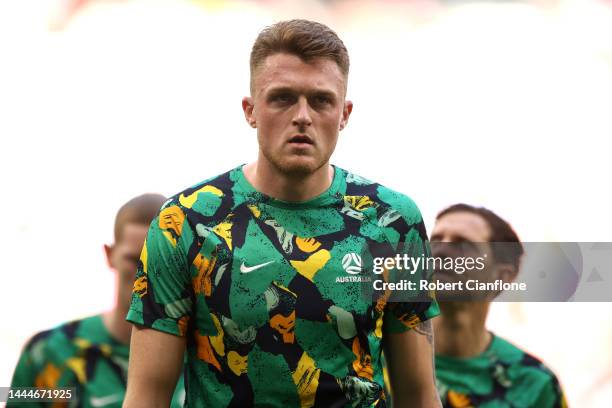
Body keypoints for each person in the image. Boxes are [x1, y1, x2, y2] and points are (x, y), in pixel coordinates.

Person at [124, 19, 441, 408]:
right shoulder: (185, 222)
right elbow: (147, 396)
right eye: (282, 98)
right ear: (250, 109)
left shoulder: (393, 221)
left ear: (345, 113)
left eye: (321, 100)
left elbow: (419, 394)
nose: (302, 116)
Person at [8, 194, 185, 408]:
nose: (145, 274)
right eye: (134, 260)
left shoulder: (205, 359)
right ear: (110, 255)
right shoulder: (48, 351)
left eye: (160, 262)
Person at [429, 203, 567, 407]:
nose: (441, 252)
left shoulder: (533, 383)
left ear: (502, 276)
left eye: (463, 244)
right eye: (435, 240)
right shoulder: (379, 351)